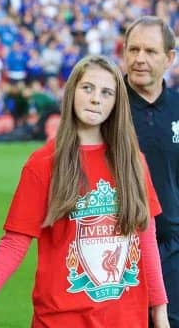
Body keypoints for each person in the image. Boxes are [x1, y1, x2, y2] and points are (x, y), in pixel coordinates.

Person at [0, 55, 169, 327]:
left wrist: (160, 312)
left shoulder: (132, 161)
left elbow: (147, 239)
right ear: (72, 91)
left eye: (107, 93)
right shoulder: (43, 164)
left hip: (126, 319)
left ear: (117, 103)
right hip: (61, 320)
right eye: (88, 88)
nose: (96, 99)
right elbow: (15, 241)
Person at [123, 16, 179, 327]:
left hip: (171, 249)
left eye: (150, 51)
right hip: (115, 249)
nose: (139, 59)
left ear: (169, 58)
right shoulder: (106, 106)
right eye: (133, 50)